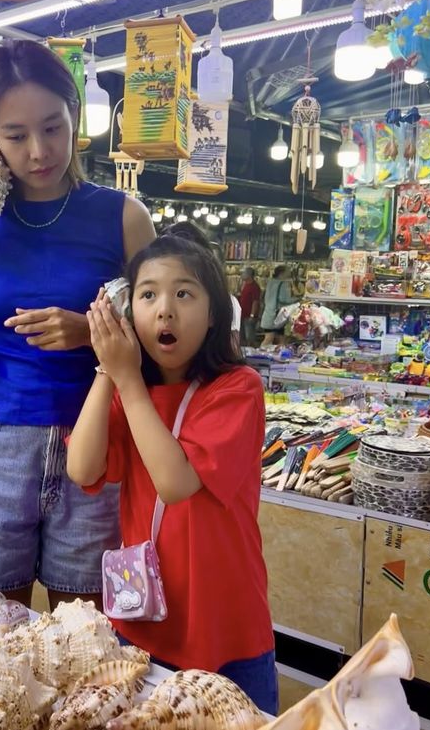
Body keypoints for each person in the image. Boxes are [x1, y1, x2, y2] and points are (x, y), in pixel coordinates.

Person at [0, 39, 155, 609]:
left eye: (53, 127)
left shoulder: (124, 216)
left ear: (74, 116)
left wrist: (91, 332)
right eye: (16, 134)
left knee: (94, 646)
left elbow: (165, 342)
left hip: (97, 453)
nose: (38, 151)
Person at [67, 222, 277, 715]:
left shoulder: (237, 389)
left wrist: (126, 380)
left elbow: (176, 482)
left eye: (184, 293)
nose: (165, 308)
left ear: (213, 315)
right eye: (147, 295)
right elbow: (81, 468)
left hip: (225, 628)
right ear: (128, 312)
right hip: (142, 618)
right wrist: (106, 370)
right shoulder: (126, 388)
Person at [260, 264, 295, 346]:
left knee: (269, 338)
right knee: (275, 339)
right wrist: (296, 300)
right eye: (287, 271)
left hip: (268, 314)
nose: (289, 272)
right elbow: (284, 299)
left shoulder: (270, 282)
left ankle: (262, 353)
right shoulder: (283, 284)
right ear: (282, 273)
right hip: (278, 316)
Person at [238, 266, 261, 348]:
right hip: (243, 314)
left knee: (249, 336)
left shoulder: (254, 287)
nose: (242, 275)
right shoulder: (245, 285)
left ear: (249, 275)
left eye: (244, 273)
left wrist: (252, 315)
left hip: (249, 315)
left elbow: (255, 302)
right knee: (242, 335)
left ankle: (251, 350)